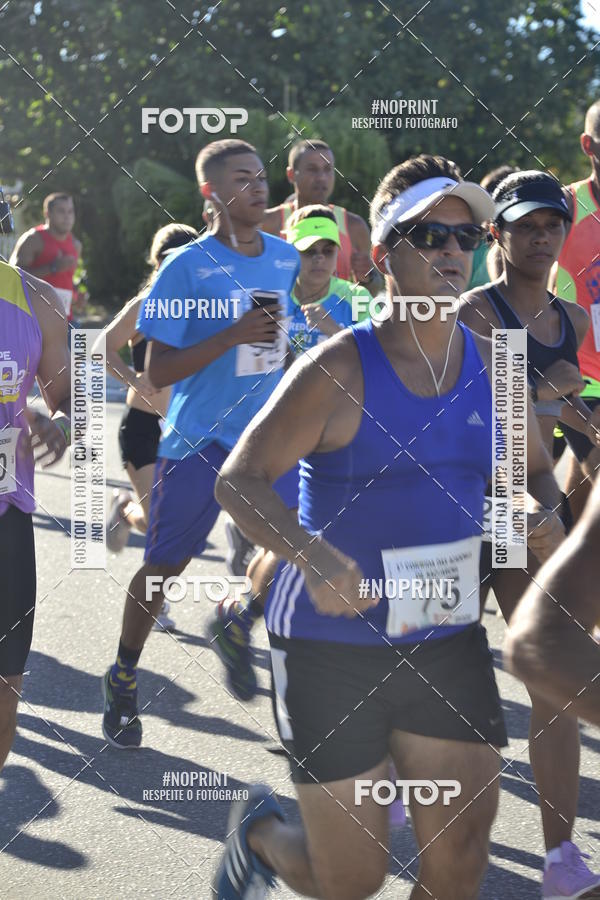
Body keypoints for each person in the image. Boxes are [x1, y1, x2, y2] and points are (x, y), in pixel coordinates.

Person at [212, 155, 563, 899]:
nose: (449, 253)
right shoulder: (339, 369)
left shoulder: (498, 367)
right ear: (383, 257)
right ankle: (262, 834)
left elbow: (528, 473)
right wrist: (311, 555)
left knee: (461, 855)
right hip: (331, 645)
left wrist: (534, 514)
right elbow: (237, 481)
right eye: (428, 236)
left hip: (442, 633)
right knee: (352, 878)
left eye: (463, 239)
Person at [100, 138, 299, 748]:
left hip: (268, 434)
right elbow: (157, 371)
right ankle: (125, 671)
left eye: (262, 177)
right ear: (212, 193)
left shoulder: (285, 258)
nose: (259, 188)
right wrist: (234, 333)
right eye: (243, 179)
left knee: (304, 544)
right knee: (165, 567)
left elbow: (278, 344)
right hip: (198, 438)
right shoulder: (184, 266)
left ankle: (237, 618)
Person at [459, 169, 600, 898]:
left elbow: (554, 421)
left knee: (548, 672)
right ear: (498, 235)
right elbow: (505, 407)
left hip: (531, 503)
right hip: (455, 505)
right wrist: (564, 401)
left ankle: (560, 858)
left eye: (552, 224)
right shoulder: (474, 313)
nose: (542, 236)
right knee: (419, 668)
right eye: (525, 226)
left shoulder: (572, 322)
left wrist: (586, 420)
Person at [206, 205, 371, 698]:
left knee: (305, 547)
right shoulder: (269, 299)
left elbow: (378, 365)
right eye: (308, 251)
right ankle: (295, 682)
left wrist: (331, 336)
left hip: (341, 442)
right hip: (282, 440)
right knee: (303, 542)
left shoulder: (358, 300)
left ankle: (241, 617)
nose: (319, 260)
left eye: (327, 251)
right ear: (293, 254)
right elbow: (253, 375)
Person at [97, 223, 199, 632]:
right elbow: (101, 345)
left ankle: (124, 509)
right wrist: (132, 379)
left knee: (172, 519)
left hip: (185, 430)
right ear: (158, 265)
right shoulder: (145, 306)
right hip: (142, 426)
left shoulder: (203, 309)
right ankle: (158, 604)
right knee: (163, 521)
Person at [0, 257, 71, 771]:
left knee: (5, 695)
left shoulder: (37, 298)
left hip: (7, 512)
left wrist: (59, 421)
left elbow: (75, 396)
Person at [505, 475, 600, 728]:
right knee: (437, 683)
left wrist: (544, 510)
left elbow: (534, 464)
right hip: (459, 524)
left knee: (554, 704)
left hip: (523, 519)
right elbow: (539, 645)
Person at [554, 99, 600, 520]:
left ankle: (556, 576)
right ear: (588, 145)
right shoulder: (565, 207)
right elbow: (505, 260)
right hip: (579, 381)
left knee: (582, 498)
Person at [261, 139, 380, 295]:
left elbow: (374, 290)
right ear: (291, 175)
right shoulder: (268, 224)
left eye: (327, 169)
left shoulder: (354, 226)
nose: (321, 177)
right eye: (312, 169)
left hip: (338, 319)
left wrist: (368, 277)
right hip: (286, 318)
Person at [10, 192, 82, 322]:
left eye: (70, 212)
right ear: (47, 213)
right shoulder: (33, 239)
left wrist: (77, 297)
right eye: (61, 211)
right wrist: (52, 267)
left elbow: (65, 281)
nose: (67, 217)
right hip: (34, 320)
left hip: (66, 319)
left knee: (93, 339)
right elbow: (13, 277)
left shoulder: (76, 245)